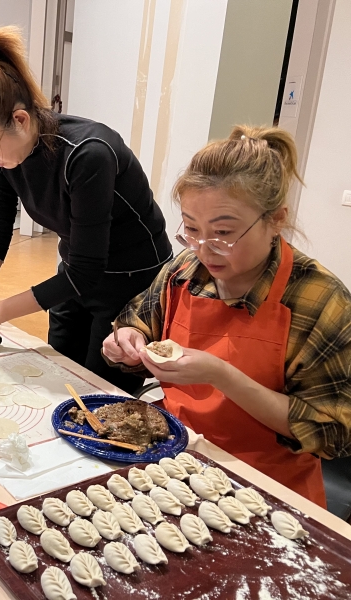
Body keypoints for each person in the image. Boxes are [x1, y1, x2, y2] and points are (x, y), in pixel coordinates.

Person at [102, 125, 351, 507]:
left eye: (223, 232)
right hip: (173, 461)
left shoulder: (320, 300)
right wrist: (126, 342)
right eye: (191, 228)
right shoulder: (183, 272)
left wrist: (222, 375)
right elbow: (137, 320)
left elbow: (331, 431)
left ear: (276, 220)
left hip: (268, 489)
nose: (204, 249)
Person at [0, 24, 172, 394]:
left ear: (20, 120)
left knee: (101, 391)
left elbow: (88, 271)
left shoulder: (88, 154)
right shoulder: (6, 157)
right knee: (58, 370)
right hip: (76, 268)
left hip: (130, 279)